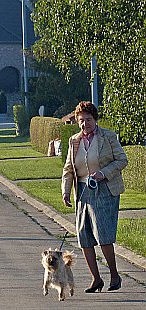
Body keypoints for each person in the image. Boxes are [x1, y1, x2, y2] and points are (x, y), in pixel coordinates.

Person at [62, 101, 127, 293]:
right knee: (84, 236)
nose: (85, 124)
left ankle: (114, 275)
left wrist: (103, 173)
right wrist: (66, 190)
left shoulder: (108, 137)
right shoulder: (74, 140)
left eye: (88, 120)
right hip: (82, 190)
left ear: (95, 119)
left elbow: (122, 160)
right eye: (81, 120)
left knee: (104, 234)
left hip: (104, 189)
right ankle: (96, 279)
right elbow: (68, 169)